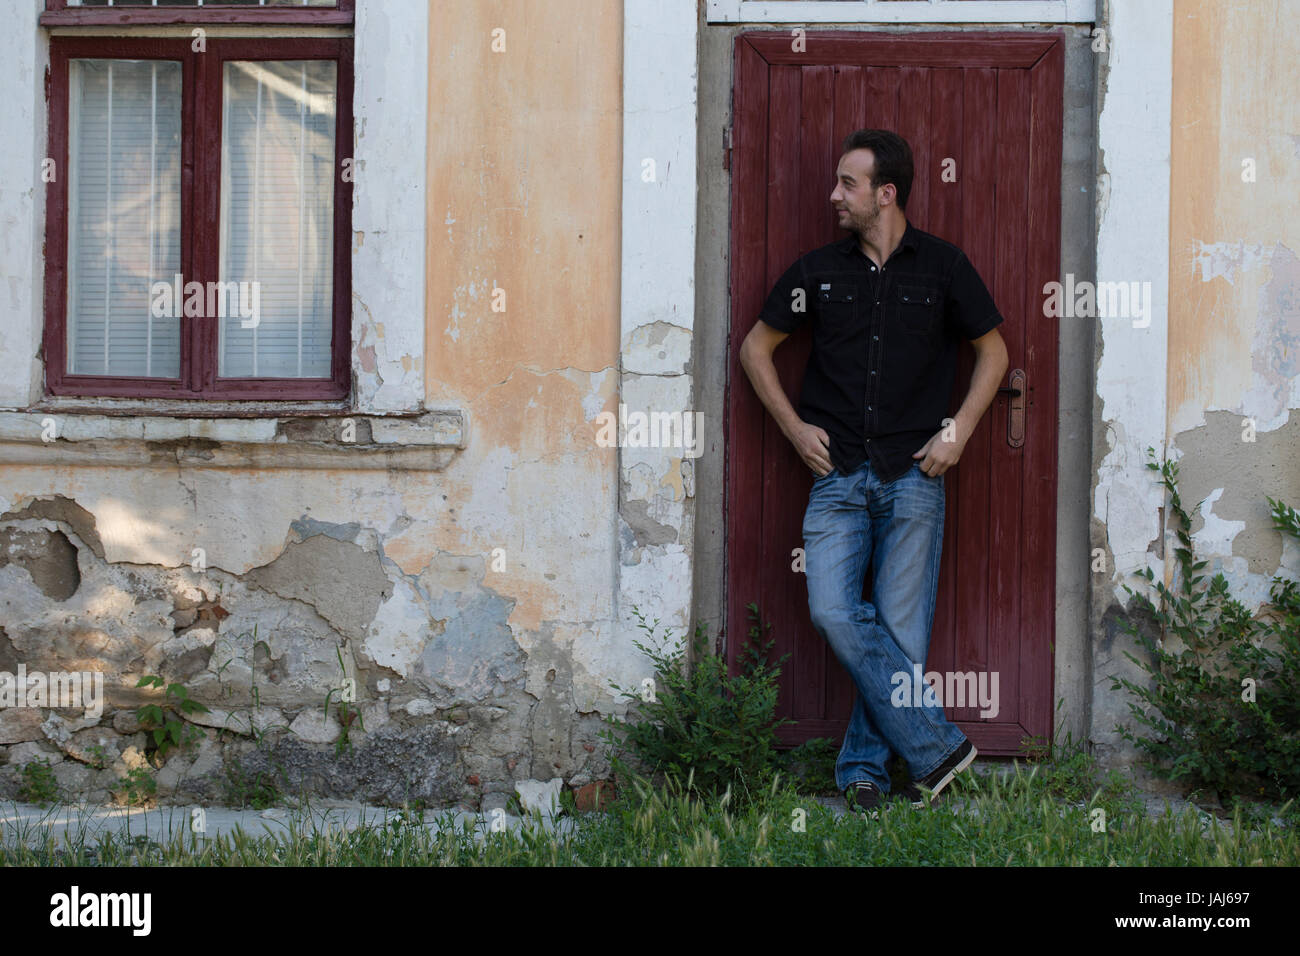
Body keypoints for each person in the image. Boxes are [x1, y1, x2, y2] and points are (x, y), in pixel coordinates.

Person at [738, 129, 1009, 816]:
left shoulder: (944, 268)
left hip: (915, 475)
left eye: (847, 184)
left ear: (885, 194)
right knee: (833, 610)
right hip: (838, 479)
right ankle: (937, 748)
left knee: (899, 632)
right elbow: (755, 349)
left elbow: (995, 354)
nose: (834, 195)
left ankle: (863, 769)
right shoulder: (816, 272)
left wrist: (960, 430)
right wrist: (793, 428)